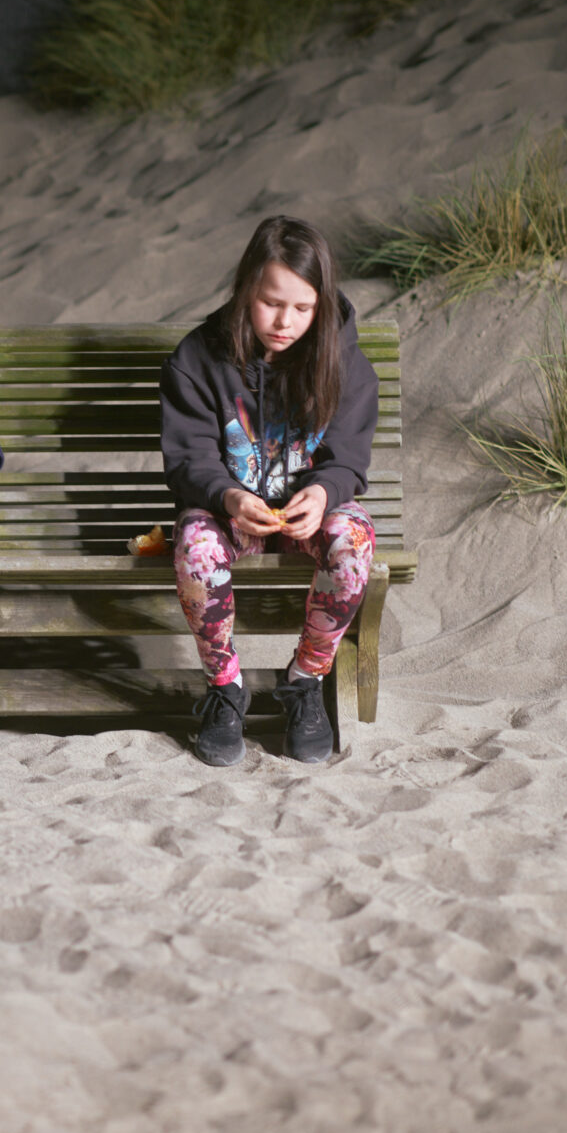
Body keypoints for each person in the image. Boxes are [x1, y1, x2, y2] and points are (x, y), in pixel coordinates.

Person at [159, 215, 379, 767]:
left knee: (354, 543)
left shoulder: (344, 362)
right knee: (195, 547)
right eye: (270, 303)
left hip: (308, 517)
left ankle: (304, 680)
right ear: (245, 291)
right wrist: (229, 498)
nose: (285, 321)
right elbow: (188, 460)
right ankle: (225, 689)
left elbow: (348, 460)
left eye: (303, 308)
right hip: (230, 514)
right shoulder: (196, 359)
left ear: (320, 304)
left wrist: (323, 493)